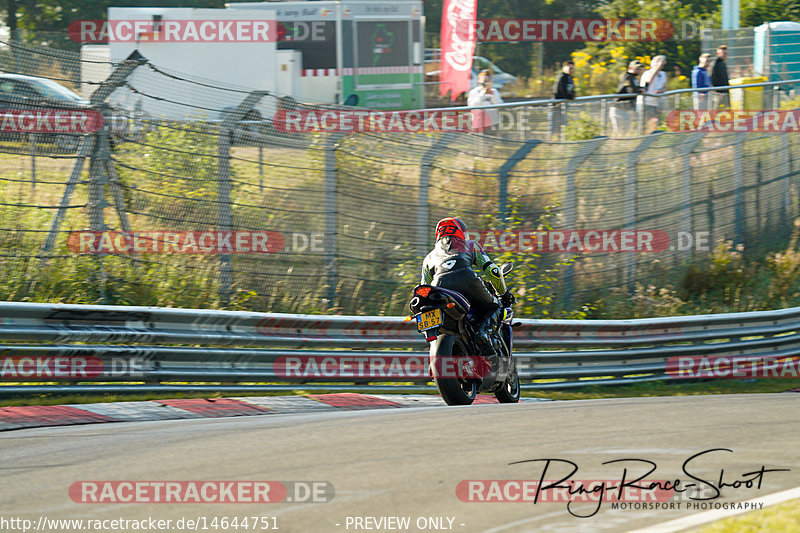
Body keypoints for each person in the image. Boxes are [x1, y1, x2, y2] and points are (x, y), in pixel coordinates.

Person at [420, 217, 514, 357]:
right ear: (462, 232)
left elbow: (423, 286)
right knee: (495, 307)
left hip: (438, 288)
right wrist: (504, 293)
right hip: (467, 280)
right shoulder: (470, 245)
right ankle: (484, 334)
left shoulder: (429, 257)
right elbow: (493, 272)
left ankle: (435, 353)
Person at [610, 60, 644, 136]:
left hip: (625, 109)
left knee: (625, 132)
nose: (639, 70)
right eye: (637, 68)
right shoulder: (627, 77)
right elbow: (631, 89)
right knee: (619, 132)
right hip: (619, 108)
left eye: (640, 69)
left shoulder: (634, 78)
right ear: (630, 68)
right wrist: (640, 90)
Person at [638, 55, 667, 131]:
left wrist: (660, 91)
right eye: (656, 61)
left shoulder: (663, 74)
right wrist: (656, 69)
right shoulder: (647, 73)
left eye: (660, 61)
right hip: (645, 102)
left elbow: (664, 86)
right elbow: (649, 81)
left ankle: (653, 138)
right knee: (644, 124)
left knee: (656, 123)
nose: (658, 63)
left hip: (656, 103)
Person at [551, 60, 575, 139]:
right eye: (570, 68)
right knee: (555, 127)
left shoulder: (570, 78)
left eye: (572, 69)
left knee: (564, 125)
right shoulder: (562, 77)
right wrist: (570, 97)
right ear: (564, 68)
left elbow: (571, 90)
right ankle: (553, 141)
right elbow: (560, 91)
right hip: (557, 106)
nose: (571, 70)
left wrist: (573, 94)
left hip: (564, 105)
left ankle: (562, 139)